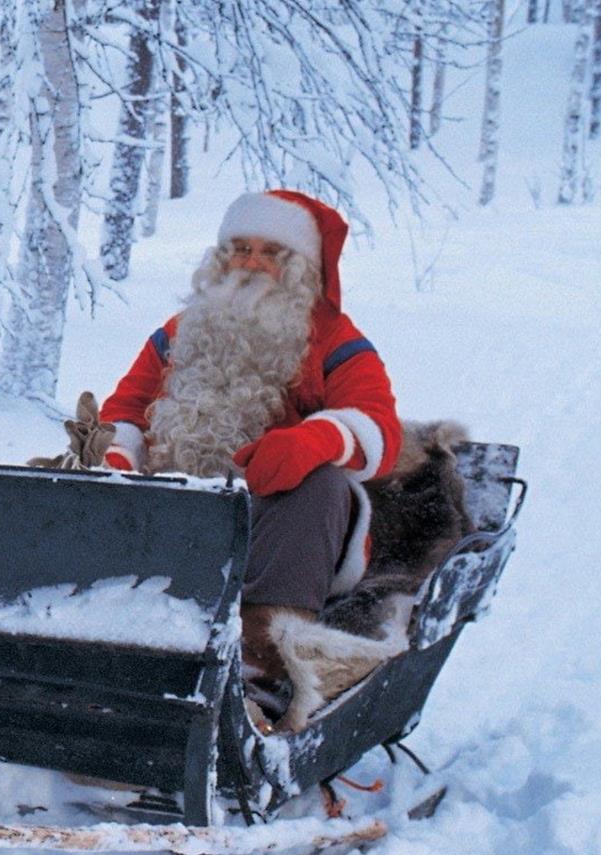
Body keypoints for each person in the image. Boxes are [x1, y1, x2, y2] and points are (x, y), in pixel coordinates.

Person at [99, 189, 401, 680]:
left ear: (301, 266)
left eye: (272, 253)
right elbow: (127, 408)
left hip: (276, 525)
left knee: (321, 483)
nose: (252, 263)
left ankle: (263, 657)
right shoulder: (182, 331)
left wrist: (315, 440)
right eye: (241, 248)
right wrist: (116, 454)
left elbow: (381, 429)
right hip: (178, 512)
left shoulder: (334, 340)